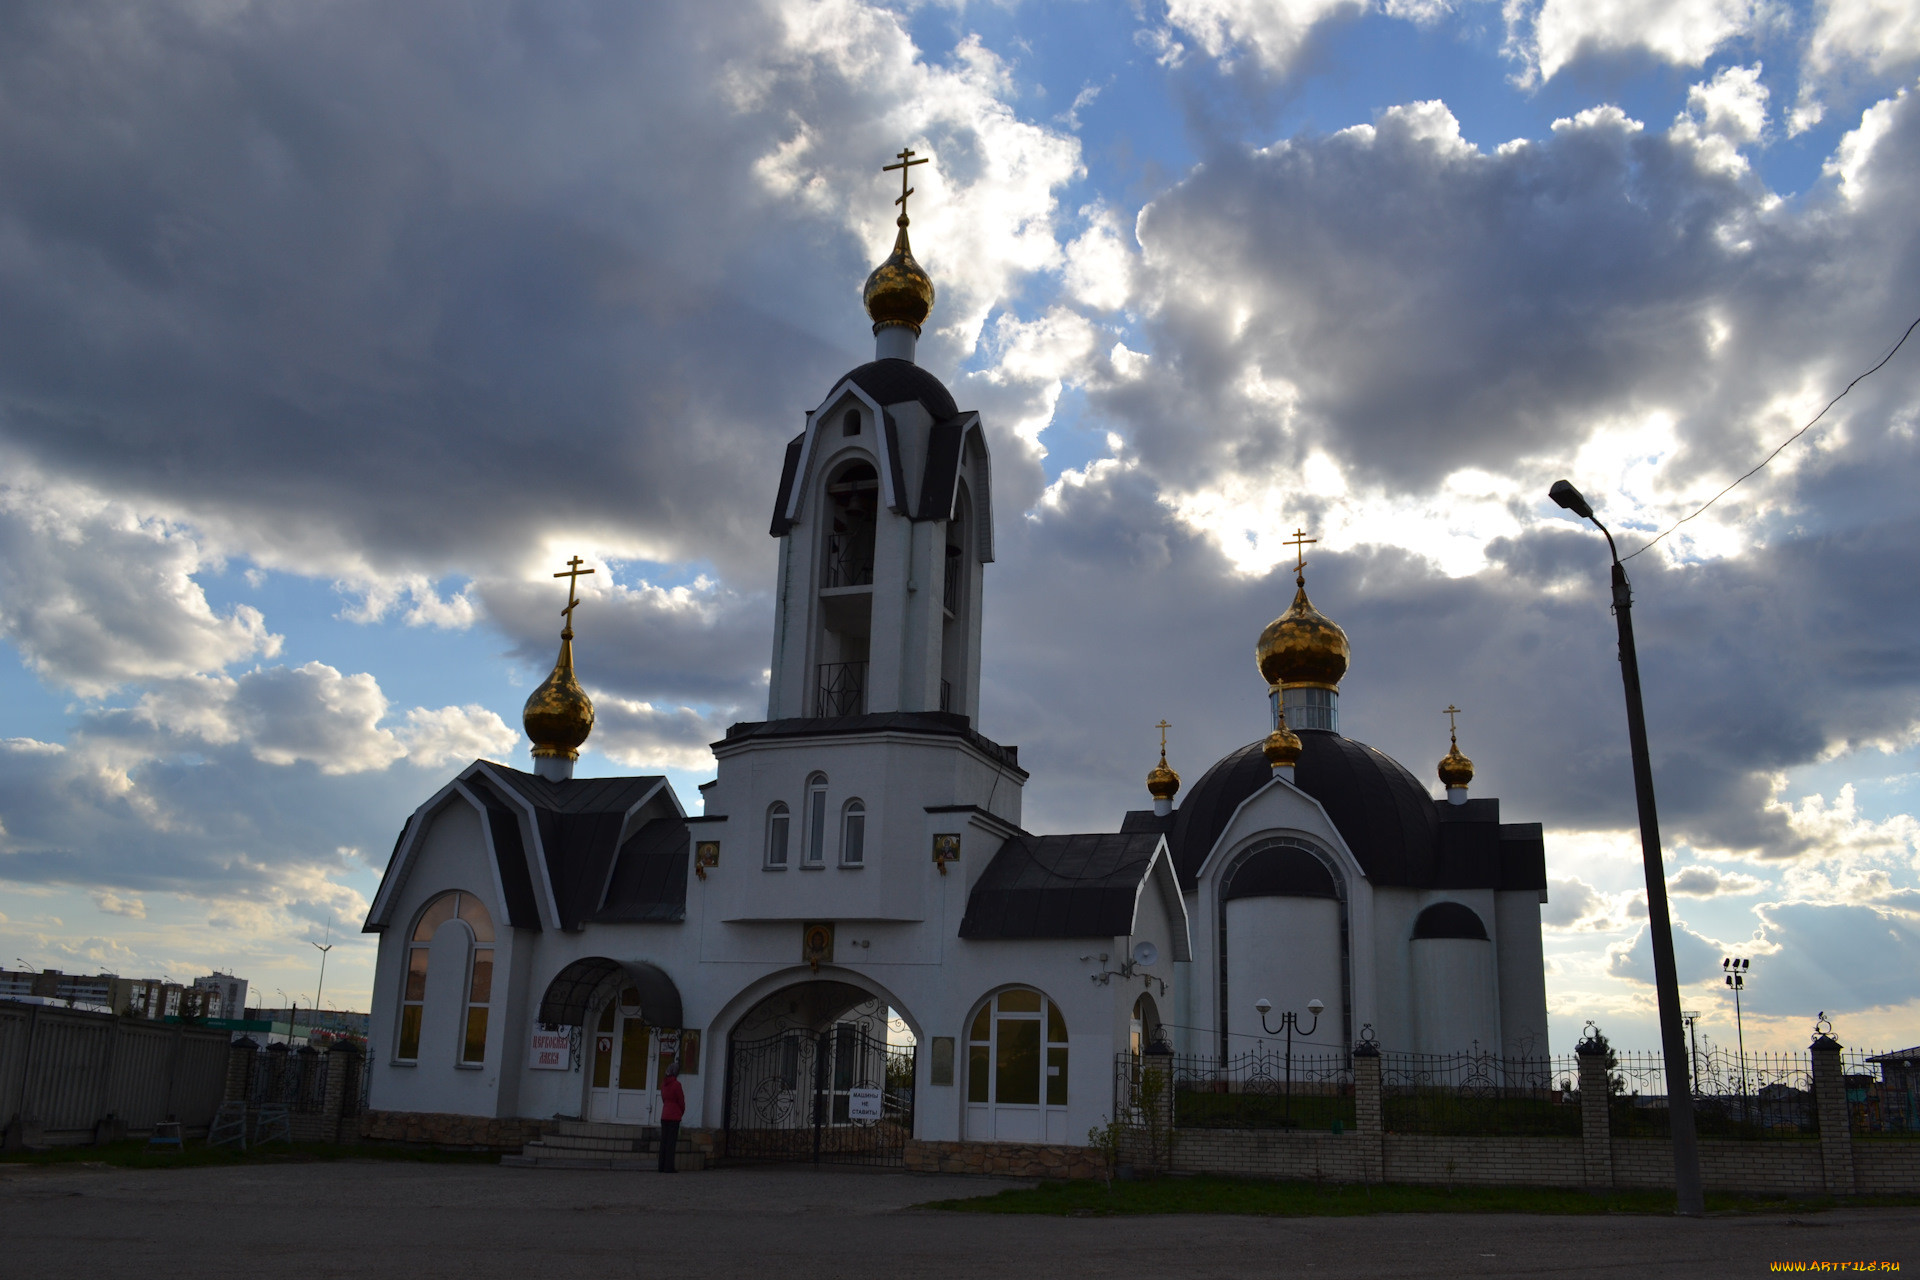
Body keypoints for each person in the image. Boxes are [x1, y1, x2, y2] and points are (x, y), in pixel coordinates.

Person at [658, 1060, 685, 1172]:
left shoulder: (664, 1084)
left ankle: (661, 1165)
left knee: (664, 1141)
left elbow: (663, 1098)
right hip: (674, 1116)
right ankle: (669, 1166)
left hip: (665, 1115)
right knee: (671, 1142)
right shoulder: (677, 1085)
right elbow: (681, 1101)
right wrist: (681, 1112)